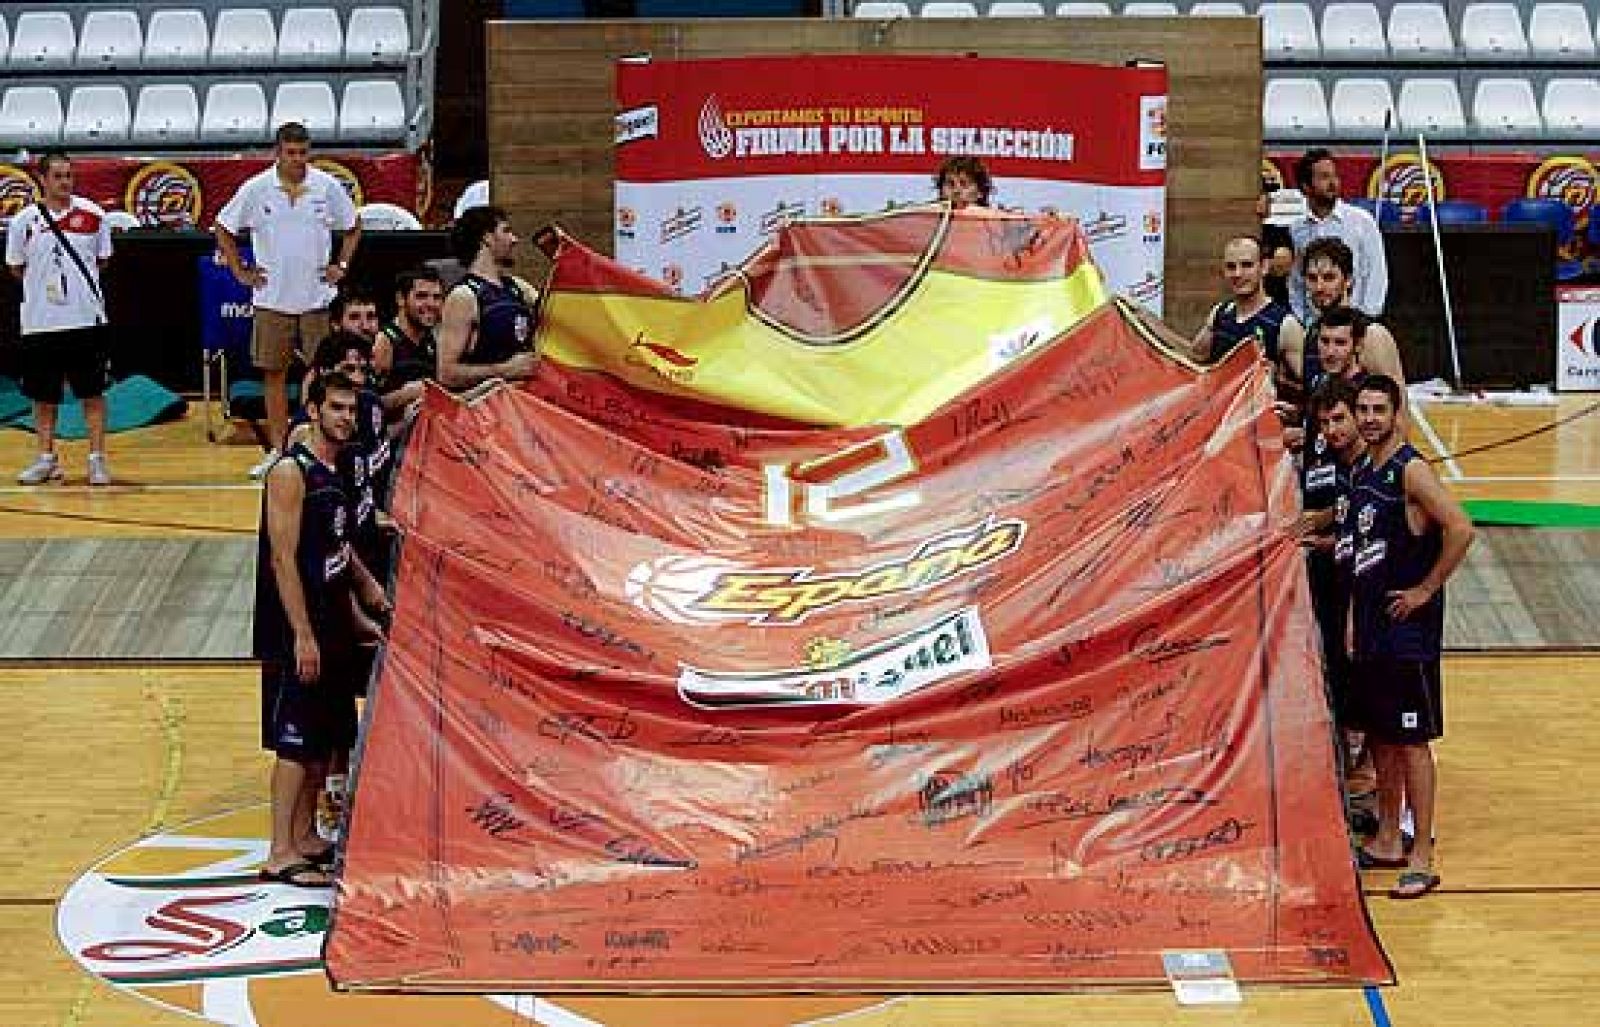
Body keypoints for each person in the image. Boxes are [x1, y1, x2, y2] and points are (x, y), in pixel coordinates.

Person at [253, 372, 388, 887]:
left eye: (351, 409)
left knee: (324, 735)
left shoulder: (338, 469)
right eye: (336, 408)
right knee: (295, 741)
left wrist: (362, 601)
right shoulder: (291, 472)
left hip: (332, 620)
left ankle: (306, 834)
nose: (346, 418)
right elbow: (283, 561)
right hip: (299, 626)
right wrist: (302, 634)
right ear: (313, 410)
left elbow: (337, 549)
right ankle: (280, 852)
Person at [1347, 374, 1474, 900]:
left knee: (1411, 741)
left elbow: (1461, 528)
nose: (1370, 418)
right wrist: (1352, 620)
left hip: (1407, 636)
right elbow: (1360, 555)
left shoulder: (1411, 470)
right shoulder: (1361, 468)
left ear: (1396, 414)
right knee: (1381, 736)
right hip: (1371, 630)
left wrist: (1425, 589)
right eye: (1363, 409)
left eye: (1379, 409)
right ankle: (1386, 839)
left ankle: (1421, 852)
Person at [215, 122, 361, 479]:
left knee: (325, 375)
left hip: (317, 299)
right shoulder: (256, 188)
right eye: (290, 153)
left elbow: (353, 226)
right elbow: (223, 227)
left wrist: (341, 265)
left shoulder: (326, 186)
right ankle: (279, 451)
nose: (297, 159)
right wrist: (240, 271)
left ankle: (321, 448)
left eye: (303, 153)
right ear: (277, 153)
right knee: (274, 375)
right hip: (272, 298)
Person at [4, 151, 114, 485]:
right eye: (58, 176)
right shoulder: (23, 222)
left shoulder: (94, 215)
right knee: (43, 396)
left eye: (69, 175)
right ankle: (45, 458)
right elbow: (16, 266)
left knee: (92, 393)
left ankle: (96, 459)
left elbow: (102, 260)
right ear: (42, 180)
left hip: (86, 320)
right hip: (40, 322)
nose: (65, 182)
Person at [1302, 375, 1369, 798]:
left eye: (1339, 419)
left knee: (1366, 678)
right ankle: (1352, 759)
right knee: (1339, 669)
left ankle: (1372, 770)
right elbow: (1347, 526)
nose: (1332, 430)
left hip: (1369, 593)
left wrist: (1423, 589)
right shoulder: (1343, 466)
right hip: (1338, 579)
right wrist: (1321, 538)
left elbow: (1455, 529)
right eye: (1325, 423)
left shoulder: (1381, 467)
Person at [1280, 239, 1404, 423]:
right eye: (1312, 278)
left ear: (1348, 280)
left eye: (1329, 278)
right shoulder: (1311, 335)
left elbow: (1398, 409)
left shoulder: (1372, 335)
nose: (1319, 287)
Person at [437, 206, 539, 391]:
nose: (514, 240)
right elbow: (446, 374)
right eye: (506, 231)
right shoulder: (463, 296)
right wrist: (505, 370)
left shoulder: (519, 287)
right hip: (485, 405)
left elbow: (555, 309)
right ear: (487, 238)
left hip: (524, 401)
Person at [1288, 148, 1388, 323]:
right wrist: (1303, 321)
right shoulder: (1296, 228)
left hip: (1356, 322)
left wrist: (1365, 319)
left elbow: (1376, 274)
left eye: (1334, 176)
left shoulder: (1361, 221)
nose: (1333, 182)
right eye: (1324, 177)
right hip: (1313, 325)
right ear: (1305, 186)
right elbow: (1296, 280)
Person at [1192, 235, 1303, 366]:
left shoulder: (1285, 324)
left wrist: (1275, 375)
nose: (1238, 274)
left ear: (1264, 267)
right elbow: (1195, 356)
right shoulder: (1219, 313)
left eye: (1247, 265)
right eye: (1231, 267)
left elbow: (1307, 377)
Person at [373, 266, 443, 413]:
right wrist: (405, 395)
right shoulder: (384, 342)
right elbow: (366, 405)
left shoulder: (433, 340)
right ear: (400, 299)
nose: (431, 304)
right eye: (421, 296)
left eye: (436, 297)